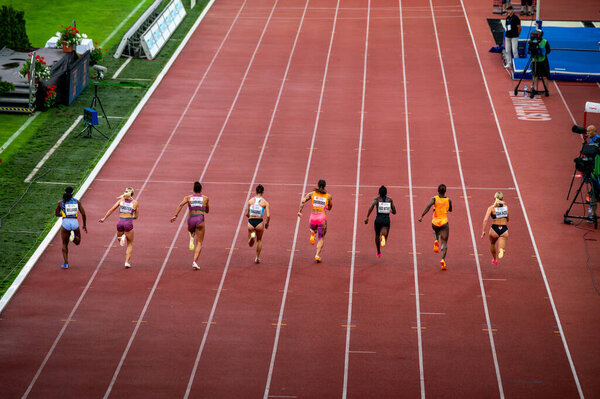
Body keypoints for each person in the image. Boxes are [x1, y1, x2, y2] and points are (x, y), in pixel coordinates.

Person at [171, 181, 209, 270]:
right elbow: (207, 210)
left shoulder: (188, 197)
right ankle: (195, 262)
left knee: (191, 230)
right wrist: (205, 207)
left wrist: (175, 215)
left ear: (193, 189)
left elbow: (181, 205)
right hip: (200, 219)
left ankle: (191, 235)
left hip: (191, 219)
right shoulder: (205, 198)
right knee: (199, 243)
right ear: (201, 190)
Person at [98, 187, 139, 268]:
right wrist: (131, 216)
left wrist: (104, 218)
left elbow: (111, 209)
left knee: (119, 239)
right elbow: (136, 217)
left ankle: (122, 237)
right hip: (128, 222)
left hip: (120, 222)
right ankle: (126, 262)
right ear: (132, 194)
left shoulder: (121, 201)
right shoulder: (135, 203)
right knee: (130, 243)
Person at [418, 184, 452, 270]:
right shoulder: (448, 200)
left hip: (435, 222)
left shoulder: (434, 199)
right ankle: (443, 260)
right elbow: (450, 209)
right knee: (444, 243)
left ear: (437, 191)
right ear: (445, 191)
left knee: (435, 230)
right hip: (444, 223)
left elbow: (428, 207)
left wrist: (422, 216)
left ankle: (436, 240)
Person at [298, 179, 332, 263]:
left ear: (317, 185)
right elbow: (330, 207)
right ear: (325, 186)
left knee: (312, 228)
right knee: (321, 238)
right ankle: (317, 255)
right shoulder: (328, 196)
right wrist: (325, 207)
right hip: (321, 218)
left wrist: (299, 211)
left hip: (313, 217)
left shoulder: (312, 194)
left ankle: (312, 233)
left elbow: (303, 201)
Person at [54, 186, 87, 269]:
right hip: (74, 222)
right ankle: (73, 238)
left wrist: (64, 214)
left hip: (65, 223)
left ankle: (65, 263)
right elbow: (83, 214)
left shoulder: (61, 202)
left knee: (64, 244)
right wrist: (84, 225)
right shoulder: (77, 202)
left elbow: (57, 214)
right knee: (78, 242)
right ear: (73, 193)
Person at [364, 185, 396, 258]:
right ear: (386, 193)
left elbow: (371, 207)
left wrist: (367, 217)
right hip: (386, 219)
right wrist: (390, 210)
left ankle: (378, 251)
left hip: (378, 219)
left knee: (376, 235)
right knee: (385, 232)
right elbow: (394, 212)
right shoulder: (389, 200)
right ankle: (383, 237)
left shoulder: (376, 199)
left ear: (379, 193)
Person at [481, 192, 509, 265]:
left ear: (494, 198)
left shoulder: (491, 208)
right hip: (504, 229)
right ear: (502, 198)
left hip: (494, 229)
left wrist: (483, 231)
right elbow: (508, 219)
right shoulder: (505, 207)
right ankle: (501, 250)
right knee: (502, 247)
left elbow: (485, 220)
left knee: (492, 243)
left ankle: (495, 259)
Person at [246, 184, 270, 264]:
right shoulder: (265, 202)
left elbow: (247, 214)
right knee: (259, 240)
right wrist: (267, 223)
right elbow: (268, 215)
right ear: (263, 192)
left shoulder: (250, 201)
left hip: (251, 222)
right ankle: (257, 257)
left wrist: (250, 215)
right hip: (259, 222)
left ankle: (252, 236)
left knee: (250, 244)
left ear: (255, 191)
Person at [529, 29, 550, 98]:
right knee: (535, 76)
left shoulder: (545, 42)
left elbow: (548, 50)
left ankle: (546, 90)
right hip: (535, 60)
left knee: (545, 76)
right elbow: (529, 50)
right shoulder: (531, 41)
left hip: (543, 61)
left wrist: (542, 52)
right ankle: (535, 89)